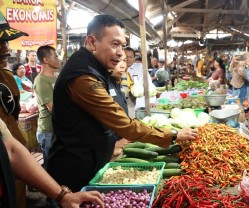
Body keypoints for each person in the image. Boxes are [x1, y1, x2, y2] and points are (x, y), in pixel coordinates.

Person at [48, 14, 197, 192]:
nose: (120, 52)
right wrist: (172, 134)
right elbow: (124, 125)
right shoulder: (83, 77)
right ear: (92, 42)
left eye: (123, 45)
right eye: (115, 44)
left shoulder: (95, 69)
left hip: (89, 162)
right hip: (74, 173)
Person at [0, 11, 103, 207]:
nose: (5, 48)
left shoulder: (6, 79)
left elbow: (10, 148)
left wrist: (63, 195)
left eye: (6, 42)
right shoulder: (39, 80)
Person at [33, 45, 61, 167]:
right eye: (55, 56)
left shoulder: (56, 77)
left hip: (58, 128)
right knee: (51, 166)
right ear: (46, 60)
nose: (58, 58)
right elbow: (53, 108)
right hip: (48, 131)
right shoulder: (41, 81)